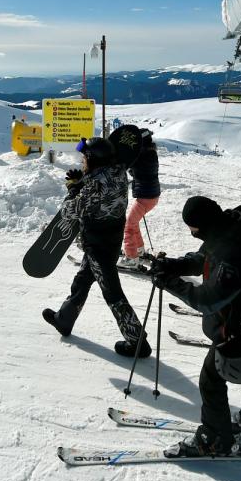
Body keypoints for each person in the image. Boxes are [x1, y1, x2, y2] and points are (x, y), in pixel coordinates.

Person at [149, 196, 241, 457]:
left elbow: (207, 300)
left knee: (211, 379)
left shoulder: (233, 254)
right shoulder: (230, 229)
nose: (192, 233)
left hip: (237, 326)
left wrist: (171, 283)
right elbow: (204, 259)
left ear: (202, 224)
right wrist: (172, 265)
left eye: (192, 227)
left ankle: (215, 439)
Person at [42, 137, 148, 358]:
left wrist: (73, 189)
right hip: (109, 239)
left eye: (84, 157)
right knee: (81, 281)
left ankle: (137, 342)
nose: (82, 161)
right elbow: (101, 192)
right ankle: (64, 320)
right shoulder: (117, 172)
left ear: (93, 159)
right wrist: (82, 182)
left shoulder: (95, 186)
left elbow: (70, 211)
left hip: (99, 245)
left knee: (112, 293)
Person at [119, 128, 159, 269]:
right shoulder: (150, 153)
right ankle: (139, 252)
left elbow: (131, 167)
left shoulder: (142, 155)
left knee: (129, 225)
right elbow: (136, 170)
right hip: (150, 196)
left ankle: (131, 258)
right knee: (133, 223)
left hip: (146, 197)